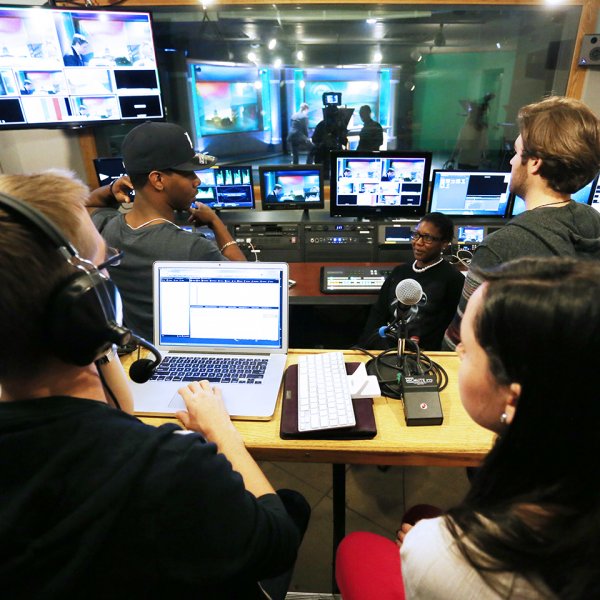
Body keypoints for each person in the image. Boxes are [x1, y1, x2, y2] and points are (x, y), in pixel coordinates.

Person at [0, 170, 309, 600]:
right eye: (106, 268)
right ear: (89, 306)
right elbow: (277, 543)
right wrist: (222, 432)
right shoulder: (169, 465)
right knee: (292, 505)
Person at [338, 256, 600, 599]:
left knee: (355, 547)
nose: (458, 348)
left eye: (467, 348)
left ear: (514, 399)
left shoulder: (438, 553)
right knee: (422, 515)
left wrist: (427, 543)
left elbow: (435, 553)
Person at [443, 95, 600, 350]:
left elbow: (459, 341)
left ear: (535, 163)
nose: (511, 161)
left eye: (516, 153)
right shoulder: (594, 221)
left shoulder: (501, 247)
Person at [87, 121, 246, 342]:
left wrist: (112, 188)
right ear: (158, 179)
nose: (197, 181)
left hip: (140, 356)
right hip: (193, 356)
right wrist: (216, 224)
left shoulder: (104, 229)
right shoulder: (193, 248)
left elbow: (87, 205)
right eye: (188, 173)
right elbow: (247, 285)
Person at [356, 212, 463, 351]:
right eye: (416, 235)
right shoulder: (399, 271)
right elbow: (378, 314)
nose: (418, 242)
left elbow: (452, 329)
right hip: (385, 349)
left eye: (428, 238)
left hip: (421, 355)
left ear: (444, 243)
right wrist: (365, 349)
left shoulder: (453, 279)